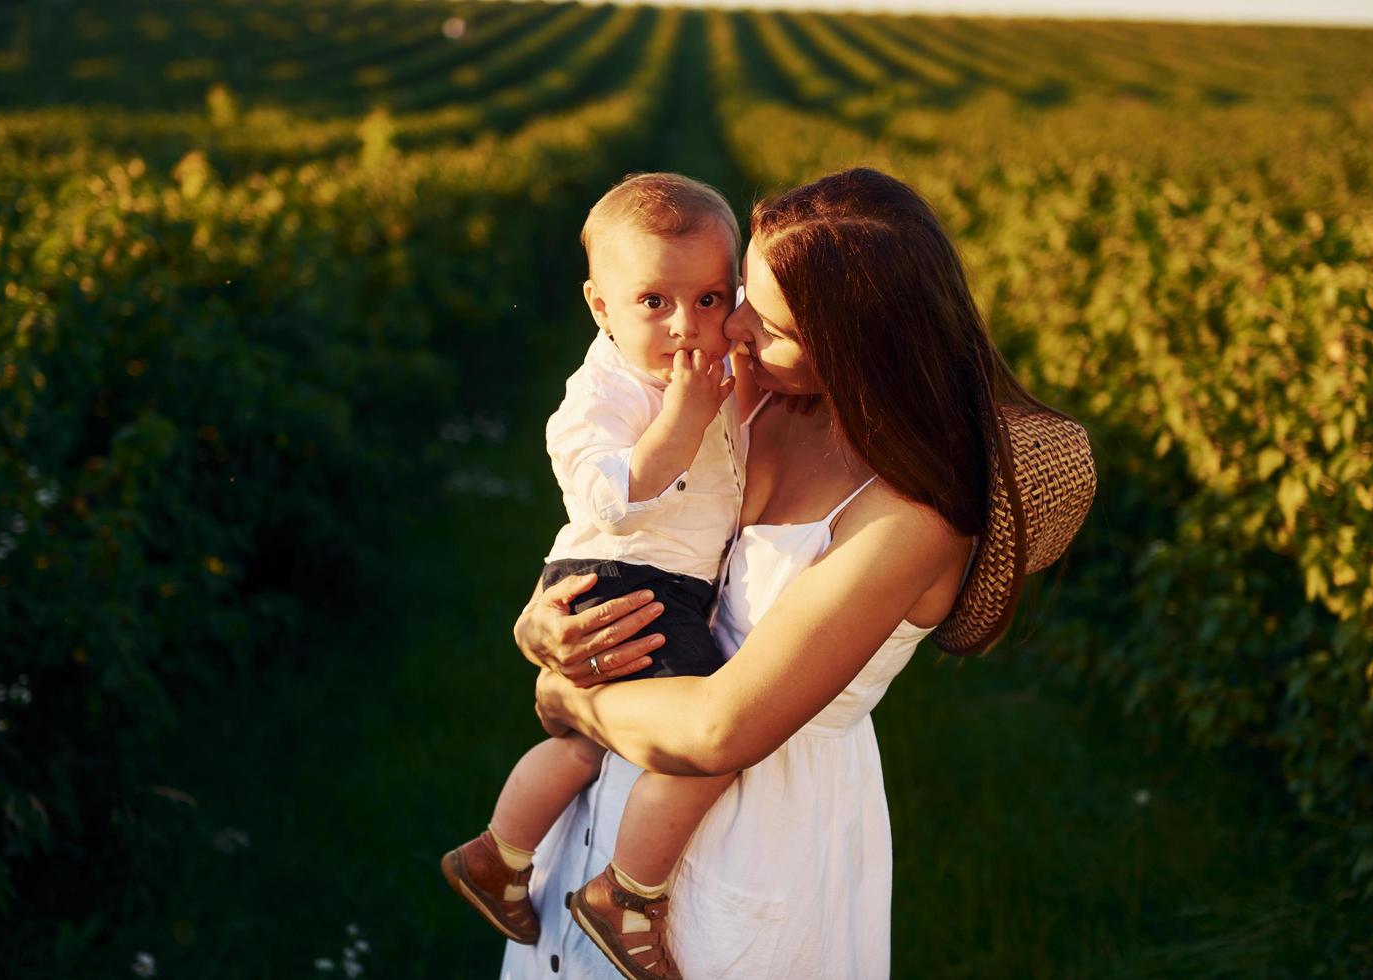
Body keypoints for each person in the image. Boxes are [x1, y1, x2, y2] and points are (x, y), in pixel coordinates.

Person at [500, 167, 1096, 979]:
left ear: (857, 348)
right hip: (613, 798)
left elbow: (721, 728)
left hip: (755, 837)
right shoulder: (756, 402)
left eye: (769, 322)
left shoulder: (909, 516)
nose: (732, 326)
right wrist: (541, 622)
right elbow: (634, 535)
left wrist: (568, 695)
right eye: (740, 293)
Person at [442, 173, 751, 979]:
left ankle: (501, 856)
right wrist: (681, 422)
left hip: (642, 578)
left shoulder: (705, 372)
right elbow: (605, 493)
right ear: (600, 307)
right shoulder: (606, 389)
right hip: (626, 574)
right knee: (702, 741)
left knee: (584, 741)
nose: (687, 326)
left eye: (712, 299)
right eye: (655, 302)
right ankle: (630, 893)